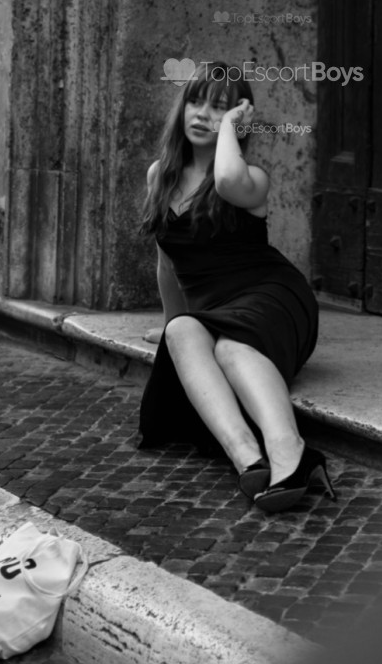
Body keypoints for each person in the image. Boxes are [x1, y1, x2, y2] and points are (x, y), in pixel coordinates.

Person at [137, 61, 333, 512]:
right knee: (181, 332)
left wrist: (230, 127)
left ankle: (290, 450)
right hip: (216, 311)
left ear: (236, 119)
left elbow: (225, 179)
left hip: (273, 297)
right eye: (196, 101)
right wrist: (171, 324)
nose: (202, 114)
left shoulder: (250, 179)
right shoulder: (160, 176)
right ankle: (248, 458)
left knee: (229, 347)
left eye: (219, 107)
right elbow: (168, 262)